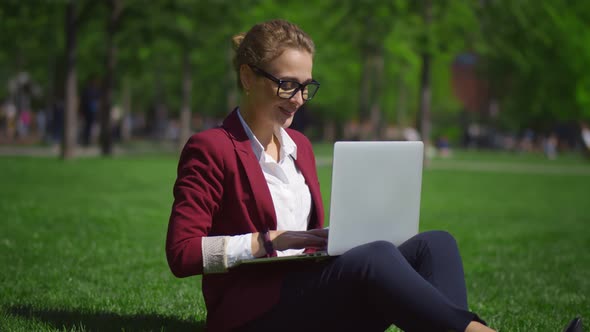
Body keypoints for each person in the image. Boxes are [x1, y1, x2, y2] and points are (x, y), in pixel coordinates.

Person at [165, 20, 583, 332]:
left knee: (435, 244)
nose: (299, 100)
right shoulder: (212, 147)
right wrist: (266, 241)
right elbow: (181, 254)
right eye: (287, 85)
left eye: (307, 87)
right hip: (252, 313)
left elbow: (308, 239)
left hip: (308, 291)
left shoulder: (301, 147)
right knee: (377, 256)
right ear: (247, 77)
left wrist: (333, 235)